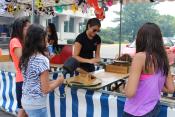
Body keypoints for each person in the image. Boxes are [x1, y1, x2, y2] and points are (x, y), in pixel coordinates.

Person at [124, 23, 174, 117]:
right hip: (154, 107)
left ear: (140, 39)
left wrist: (125, 88)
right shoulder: (164, 59)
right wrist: (153, 85)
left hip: (136, 111)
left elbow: (130, 93)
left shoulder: (140, 57)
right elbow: (171, 89)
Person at [19, 24, 64, 117]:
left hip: (25, 101)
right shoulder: (42, 60)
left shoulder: (25, 57)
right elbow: (45, 89)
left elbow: (35, 82)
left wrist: (53, 81)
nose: (47, 39)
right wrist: (59, 82)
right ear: (40, 39)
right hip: (37, 105)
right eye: (46, 36)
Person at [9, 17, 30, 117]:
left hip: (28, 79)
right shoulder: (15, 41)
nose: (29, 29)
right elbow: (24, 59)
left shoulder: (25, 41)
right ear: (19, 28)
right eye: (26, 26)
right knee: (23, 110)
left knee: (27, 110)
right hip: (22, 79)